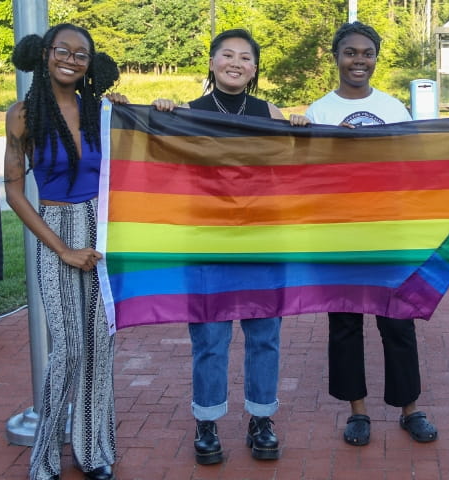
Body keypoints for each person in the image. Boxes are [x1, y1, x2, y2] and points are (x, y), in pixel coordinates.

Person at [152, 28, 306, 465]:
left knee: (264, 337)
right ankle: (207, 421)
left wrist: (298, 130)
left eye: (245, 57)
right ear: (214, 61)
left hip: (263, 241)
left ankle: (261, 419)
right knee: (210, 339)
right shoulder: (188, 112)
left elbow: (299, 170)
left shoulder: (270, 113)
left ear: (255, 68)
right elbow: (158, 163)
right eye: (227, 55)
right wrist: (157, 113)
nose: (236, 62)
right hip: (206, 243)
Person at [304, 21, 438, 447]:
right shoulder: (319, 111)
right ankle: (356, 412)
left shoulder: (395, 108)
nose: (359, 60)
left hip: (388, 231)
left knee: (397, 322)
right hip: (338, 233)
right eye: (350, 53)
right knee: (345, 322)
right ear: (336, 57)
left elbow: (413, 166)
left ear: (376, 58)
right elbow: (305, 172)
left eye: (367, 53)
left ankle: (409, 409)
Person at [4, 23, 127, 480]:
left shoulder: (102, 112)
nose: (71, 60)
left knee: (100, 346)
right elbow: (15, 191)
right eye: (63, 50)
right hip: (56, 230)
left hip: (102, 232)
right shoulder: (22, 115)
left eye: (82, 54)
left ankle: (92, 451)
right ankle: (45, 458)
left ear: (90, 64)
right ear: (45, 54)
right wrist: (64, 249)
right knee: (69, 348)